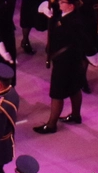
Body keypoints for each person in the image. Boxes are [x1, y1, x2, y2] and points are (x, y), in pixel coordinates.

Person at [33, 0, 87, 133]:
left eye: (62, 2)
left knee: (57, 93)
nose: (59, 3)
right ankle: (75, 115)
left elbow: (64, 37)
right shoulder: (64, 15)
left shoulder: (74, 21)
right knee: (74, 88)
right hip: (71, 60)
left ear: (71, 6)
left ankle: (51, 124)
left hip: (66, 60)